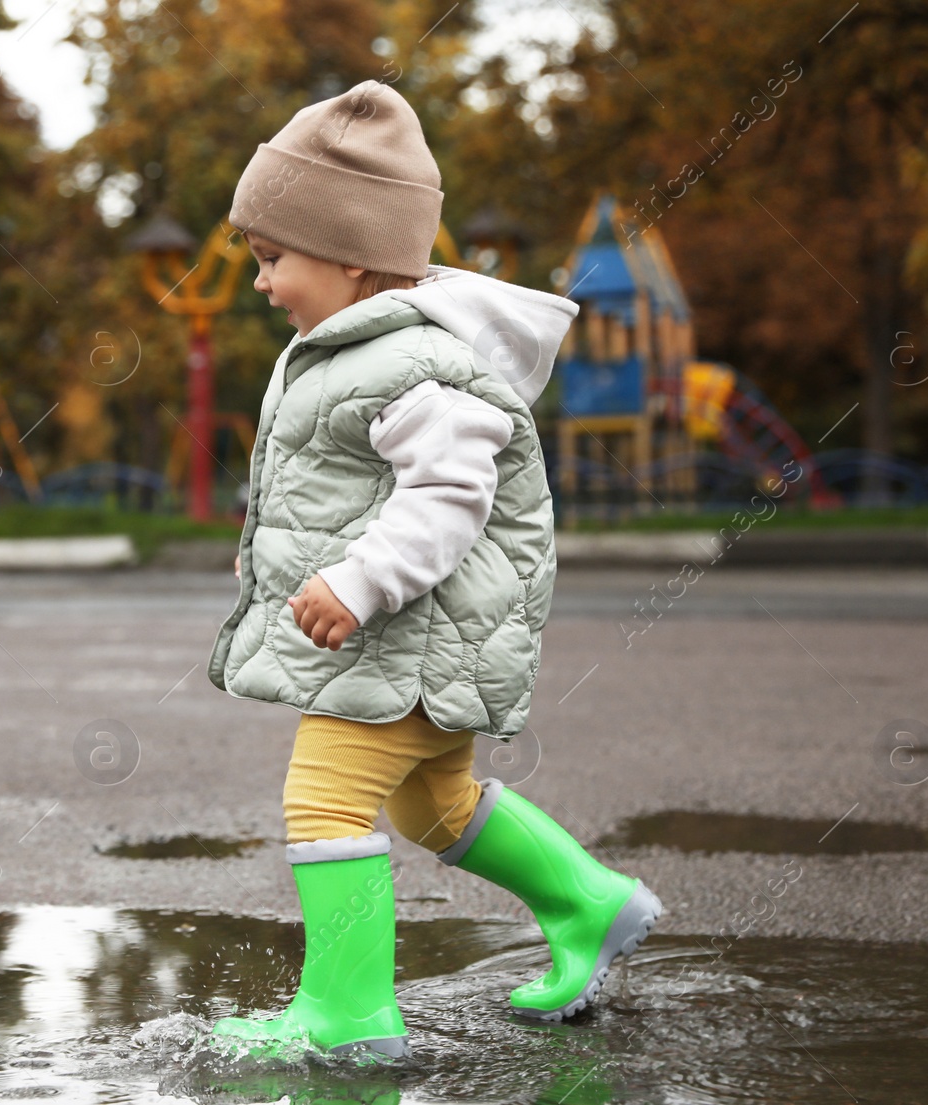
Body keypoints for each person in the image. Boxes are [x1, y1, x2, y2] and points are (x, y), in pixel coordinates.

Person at [205, 79, 662, 1063]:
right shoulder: (354, 348)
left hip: (404, 636)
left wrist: (359, 582)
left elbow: (450, 500)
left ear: (351, 254)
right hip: (411, 642)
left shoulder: (421, 364)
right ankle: (588, 901)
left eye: (272, 257)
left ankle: (348, 1009)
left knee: (322, 802)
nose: (260, 281)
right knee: (434, 802)